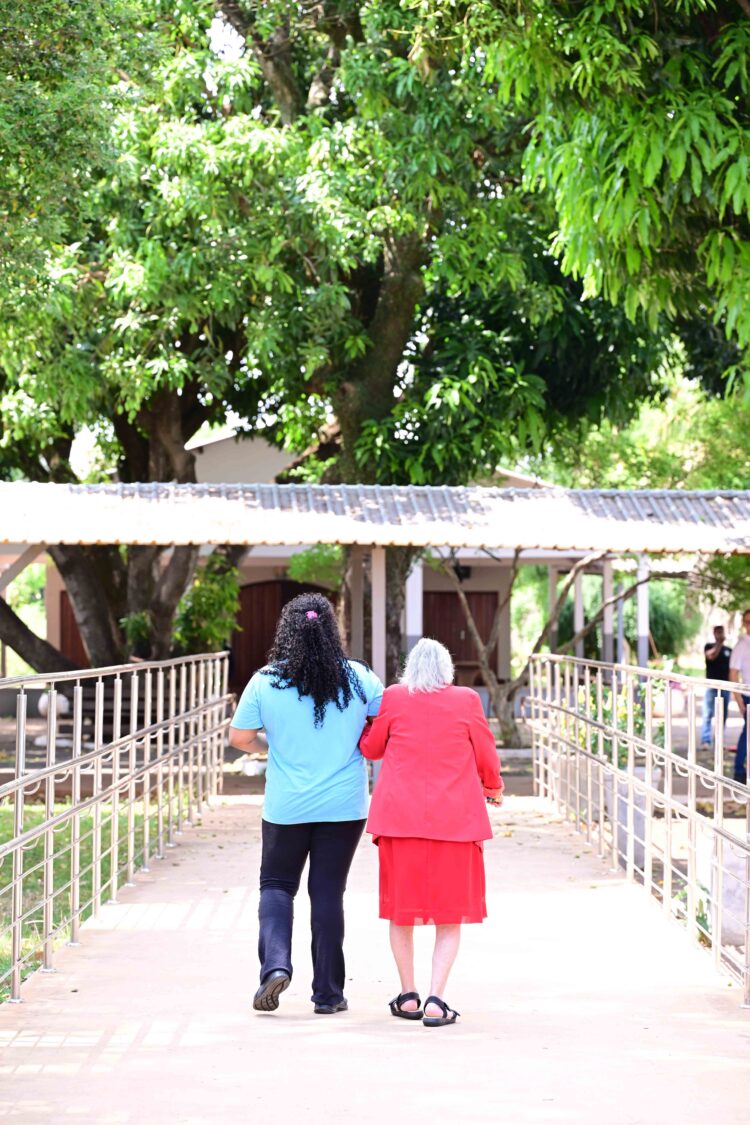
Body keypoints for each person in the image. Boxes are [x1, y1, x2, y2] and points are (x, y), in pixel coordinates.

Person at [228, 592, 383, 1015]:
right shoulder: (360, 679)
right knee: (328, 892)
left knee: (277, 887)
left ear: (287, 632)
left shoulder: (266, 680)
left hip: (286, 806)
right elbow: (387, 726)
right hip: (344, 806)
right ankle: (329, 995)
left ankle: (275, 967)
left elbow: (239, 738)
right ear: (333, 631)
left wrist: (269, 747)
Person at [359, 637, 502, 1028]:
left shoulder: (393, 697)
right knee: (449, 914)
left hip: (399, 822)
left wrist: (365, 728)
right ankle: (437, 1001)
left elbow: (372, 749)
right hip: (455, 823)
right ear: (447, 669)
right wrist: (492, 786)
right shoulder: (467, 700)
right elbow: (485, 751)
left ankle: (408, 997)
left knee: (400, 911)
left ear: (410, 669)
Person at [699, 625, 732, 750]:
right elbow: (711, 656)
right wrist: (718, 643)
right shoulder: (708, 646)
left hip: (725, 686)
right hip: (711, 685)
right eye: (717, 632)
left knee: (722, 715)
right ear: (714, 633)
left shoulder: (729, 650)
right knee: (708, 713)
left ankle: (719, 740)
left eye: (721, 632)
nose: (719, 634)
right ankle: (705, 740)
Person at [729, 609, 750, 783]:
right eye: (748, 621)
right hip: (748, 695)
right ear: (744, 623)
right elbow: (733, 673)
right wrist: (738, 699)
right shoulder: (742, 645)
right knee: (748, 733)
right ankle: (738, 770)